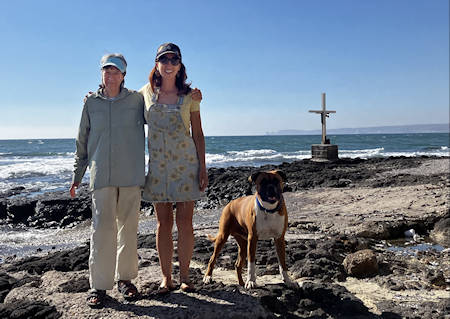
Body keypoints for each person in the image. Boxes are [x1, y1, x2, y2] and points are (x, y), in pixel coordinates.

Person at [70, 53, 145, 307]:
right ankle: (99, 287)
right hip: (100, 175)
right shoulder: (91, 103)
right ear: (101, 74)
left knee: (128, 229)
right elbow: (82, 140)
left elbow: (160, 115)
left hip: (131, 175)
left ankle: (125, 280)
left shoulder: (137, 100)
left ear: (124, 75)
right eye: (106, 70)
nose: (110, 75)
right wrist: (77, 176)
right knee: (101, 231)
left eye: (115, 71)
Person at [139, 43, 208, 293]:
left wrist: (202, 167)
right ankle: (166, 277)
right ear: (156, 64)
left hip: (186, 165)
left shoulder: (190, 97)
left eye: (173, 60)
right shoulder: (144, 94)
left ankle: (186, 277)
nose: (168, 64)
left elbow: (198, 134)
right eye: (164, 60)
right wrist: (96, 96)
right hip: (158, 167)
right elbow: (120, 105)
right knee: (163, 224)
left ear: (180, 66)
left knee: (186, 223)